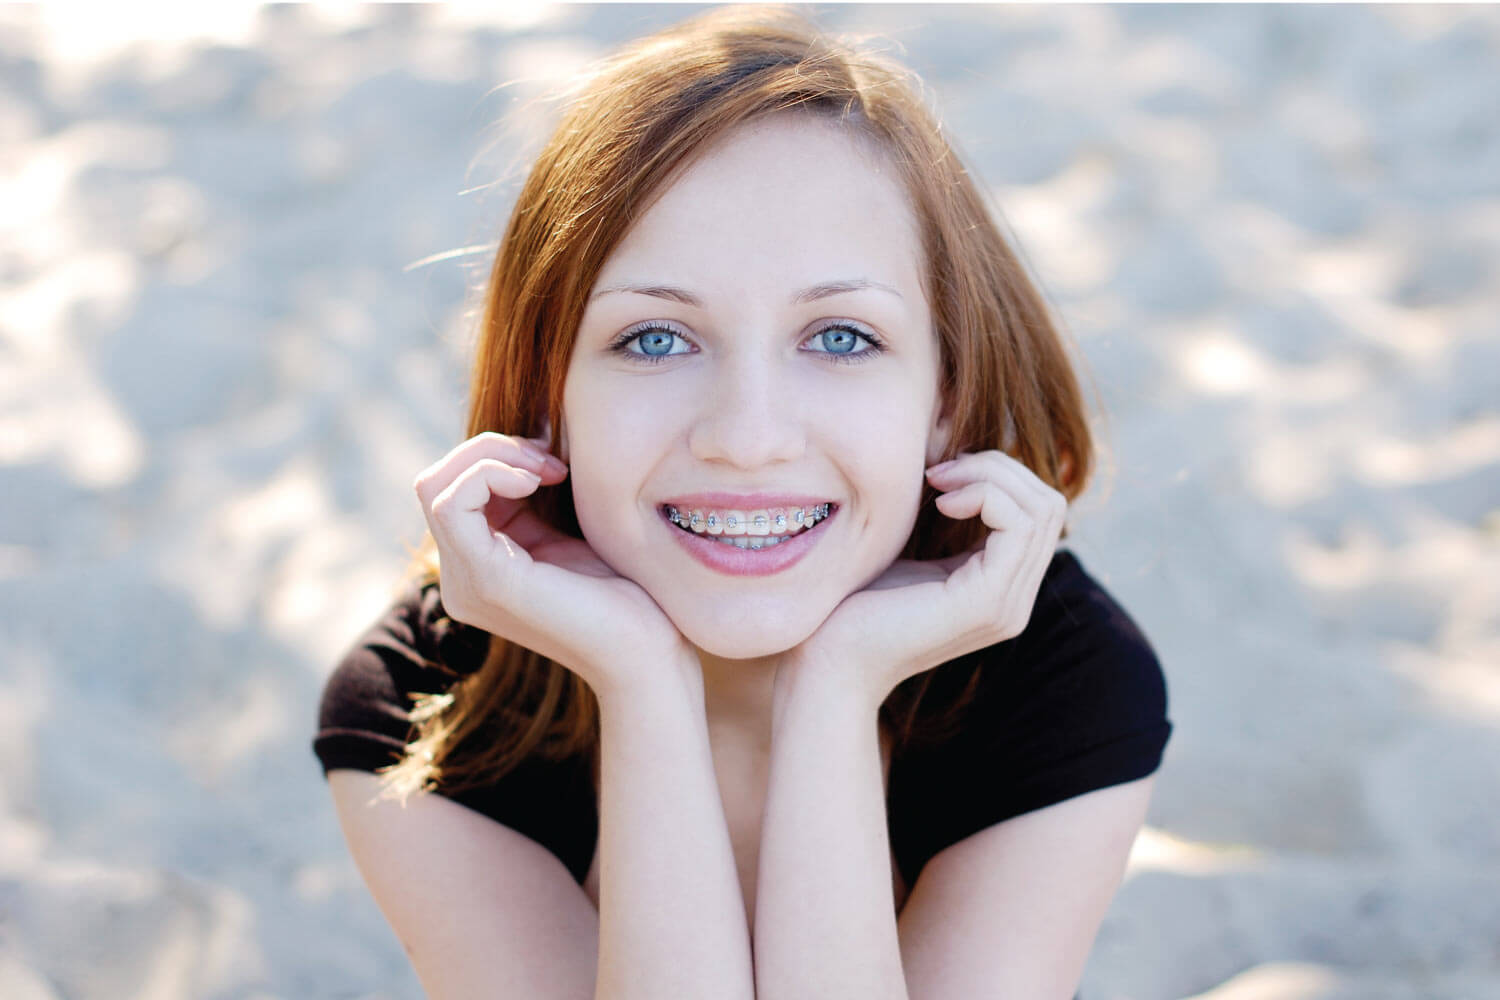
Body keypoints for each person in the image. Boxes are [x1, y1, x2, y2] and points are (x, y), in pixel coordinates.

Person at [313, 6, 1172, 999]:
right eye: (656, 339)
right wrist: (640, 683)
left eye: (841, 336)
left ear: (947, 399)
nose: (748, 435)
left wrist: (835, 688)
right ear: (551, 397)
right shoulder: (431, 703)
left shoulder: (1058, 673)